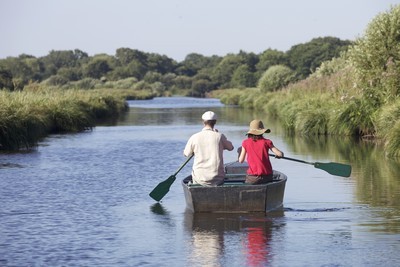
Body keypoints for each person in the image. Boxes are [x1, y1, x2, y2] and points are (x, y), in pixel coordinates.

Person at [183, 111, 234, 186]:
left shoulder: (194, 137)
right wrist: (218, 136)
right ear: (215, 122)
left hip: (199, 178)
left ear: (203, 122)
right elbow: (231, 147)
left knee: (195, 175)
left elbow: (186, 154)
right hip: (217, 179)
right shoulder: (219, 136)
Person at [238, 119, 284, 184]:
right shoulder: (267, 142)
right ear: (262, 132)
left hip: (252, 178)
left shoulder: (245, 143)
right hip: (267, 177)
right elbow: (279, 154)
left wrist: (239, 152)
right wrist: (281, 154)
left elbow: (241, 160)